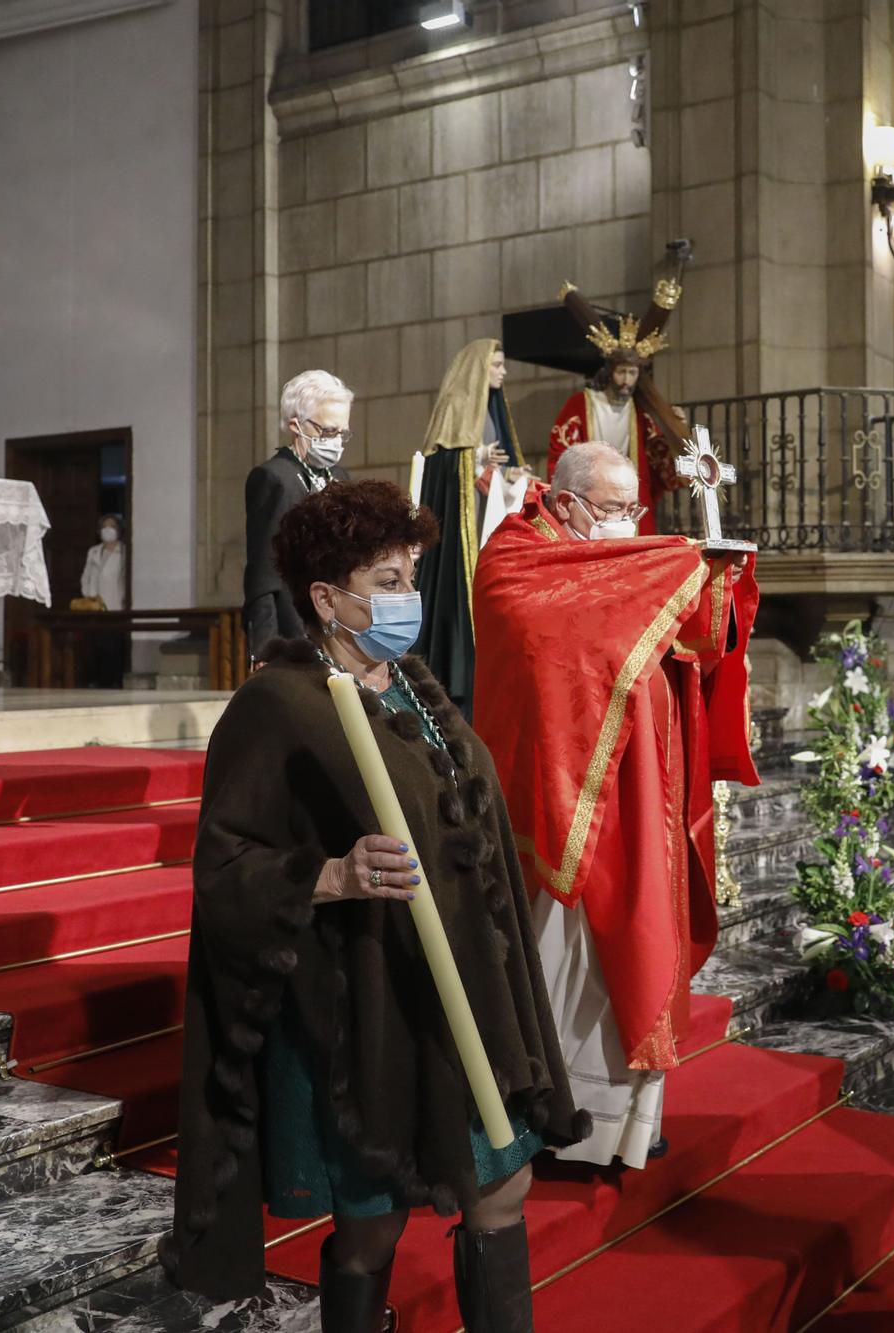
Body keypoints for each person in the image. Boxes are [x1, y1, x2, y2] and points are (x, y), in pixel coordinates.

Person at [162, 479, 585, 1333]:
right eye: (386, 579)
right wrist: (335, 876)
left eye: (412, 576)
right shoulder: (277, 704)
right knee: (371, 1220)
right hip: (363, 1007)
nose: (407, 598)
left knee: (505, 1184)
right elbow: (226, 866)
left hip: (460, 988)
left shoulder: (414, 688)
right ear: (326, 597)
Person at [472, 442, 757, 1169]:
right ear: (565, 502)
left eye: (633, 509)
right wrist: (667, 570)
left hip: (642, 792)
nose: (626, 524)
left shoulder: (615, 561)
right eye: (612, 509)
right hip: (570, 798)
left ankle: (624, 1124)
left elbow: (689, 637)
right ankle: (550, 1115)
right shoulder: (515, 555)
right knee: (569, 960)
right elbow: (550, 644)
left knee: (638, 945)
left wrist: (709, 575)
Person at [415, 339, 525, 716]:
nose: (503, 372)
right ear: (479, 369)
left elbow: (495, 468)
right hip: (460, 541)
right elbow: (441, 467)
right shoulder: (457, 409)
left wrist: (510, 473)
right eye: (497, 365)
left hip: (485, 524)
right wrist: (473, 456)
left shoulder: (493, 410)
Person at [547, 282, 687, 535]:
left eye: (632, 373)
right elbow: (561, 456)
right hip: (594, 501)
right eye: (621, 371)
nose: (626, 380)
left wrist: (675, 431)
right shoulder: (582, 404)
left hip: (631, 503)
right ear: (610, 372)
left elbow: (658, 461)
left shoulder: (640, 413)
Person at [244, 369, 352, 654]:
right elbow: (263, 569)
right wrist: (265, 645)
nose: (336, 441)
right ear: (296, 425)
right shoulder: (274, 477)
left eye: (342, 433)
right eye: (328, 431)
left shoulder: (339, 476)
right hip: (294, 624)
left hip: (338, 619)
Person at [80, 513, 126, 611]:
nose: (108, 529)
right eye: (104, 527)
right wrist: (88, 594)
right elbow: (86, 577)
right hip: (93, 605)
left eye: (112, 526)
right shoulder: (93, 551)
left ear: (119, 530)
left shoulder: (124, 552)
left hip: (115, 604)